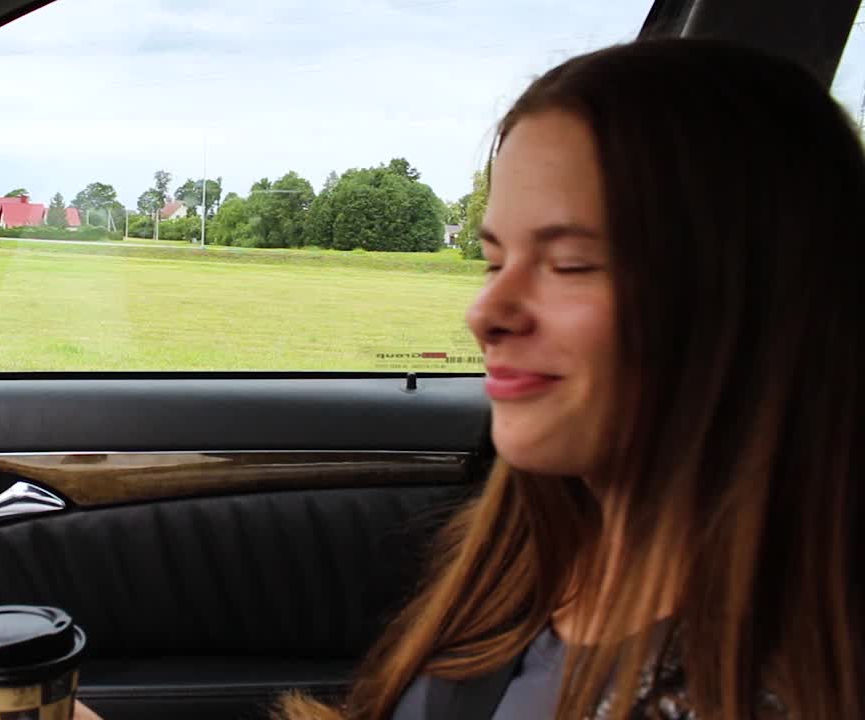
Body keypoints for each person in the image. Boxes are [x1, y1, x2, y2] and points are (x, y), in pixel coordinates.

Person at [80, 37, 865, 720]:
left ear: (758, 301)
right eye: (493, 261)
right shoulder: (535, 551)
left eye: (571, 264)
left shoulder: (743, 690)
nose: (485, 312)